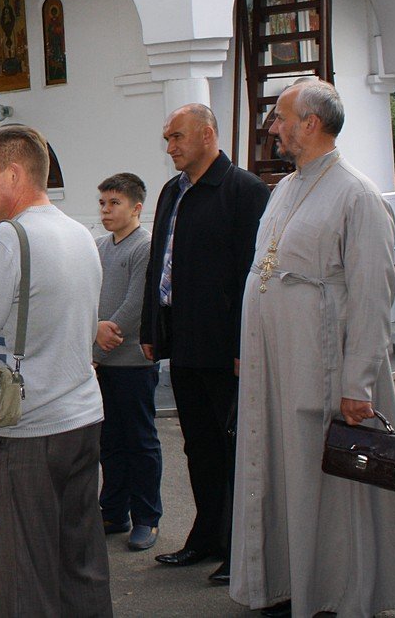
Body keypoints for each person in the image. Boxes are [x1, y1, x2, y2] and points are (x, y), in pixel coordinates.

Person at [231, 79, 395, 618]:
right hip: (277, 363)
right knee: (284, 473)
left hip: (324, 366)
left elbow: (372, 296)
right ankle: (293, 581)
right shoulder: (283, 190)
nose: (273, 127)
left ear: (311, 124)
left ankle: (341, 593)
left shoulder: (357, 194)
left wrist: (357, 383)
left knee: (330, 483)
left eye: (280, 117)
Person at [0, 126, 112, 617]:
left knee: (24, 576)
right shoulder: (79, 231)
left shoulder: (7, 239)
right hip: (82, 416)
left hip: (27, 431)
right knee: (80, 563)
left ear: (14, 174)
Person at [140, 104, 269, 583]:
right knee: (200, 446)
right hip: (185, 340)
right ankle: (207, 535)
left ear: (207, 135)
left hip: (226, 347)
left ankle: (241, 548)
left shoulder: (243, 190)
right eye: (167, 139)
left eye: (177, 137)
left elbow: (251, 275)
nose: (170, 147)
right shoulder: (173, 191)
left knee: (236, 447)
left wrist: (245, 344)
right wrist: (152, 328)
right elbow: (161, 265)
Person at [91, 172, 160, 551]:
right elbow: (88, 296)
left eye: (114, 203)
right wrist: (92, 340)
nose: (105, 210)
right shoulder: (100, 246)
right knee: (109, 442)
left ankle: (147, 517)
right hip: (103, 363)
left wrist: (96, 351)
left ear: (136, 207)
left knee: (141, 442)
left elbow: (134, 307)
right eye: (102, 203)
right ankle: (114, 511)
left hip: (132, 361)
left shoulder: (144, 247)